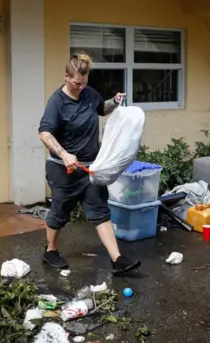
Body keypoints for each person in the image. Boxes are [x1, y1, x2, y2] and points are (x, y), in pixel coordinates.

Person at [37, 52, 141, 274]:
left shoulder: (90, 93)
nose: (81, 88)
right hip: (63, 169)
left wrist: (114, 102)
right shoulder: (57, 102)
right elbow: (44, 133)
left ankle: (117, 259)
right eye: (77, 83)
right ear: (66, 76)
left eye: (84, 83)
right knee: (59, 211)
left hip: (91, 168)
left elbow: (100, 109)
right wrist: (64, 153)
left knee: (100, 210)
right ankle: (50, 250)